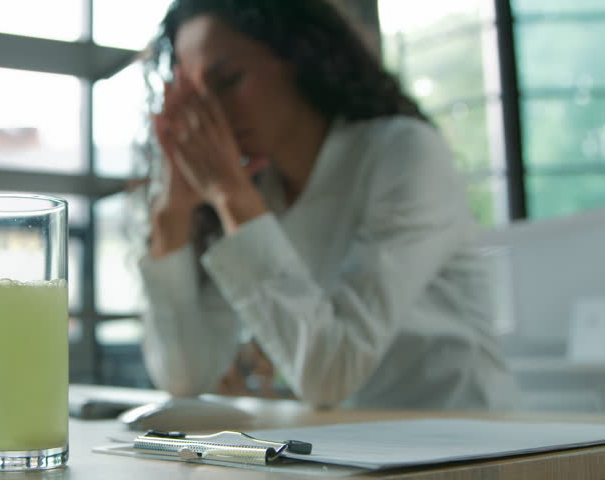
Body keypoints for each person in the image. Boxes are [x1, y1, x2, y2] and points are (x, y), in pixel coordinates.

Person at [135, 0, 519, 410]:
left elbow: (330, 372)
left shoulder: (404, 153)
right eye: (196, 99)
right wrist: (171, 216)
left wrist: (233, 198)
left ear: (299, 58)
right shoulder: (261, 190)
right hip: (351, 447)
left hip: (469, 441)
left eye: (228, 81)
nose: (212, 119)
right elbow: (187, 377)